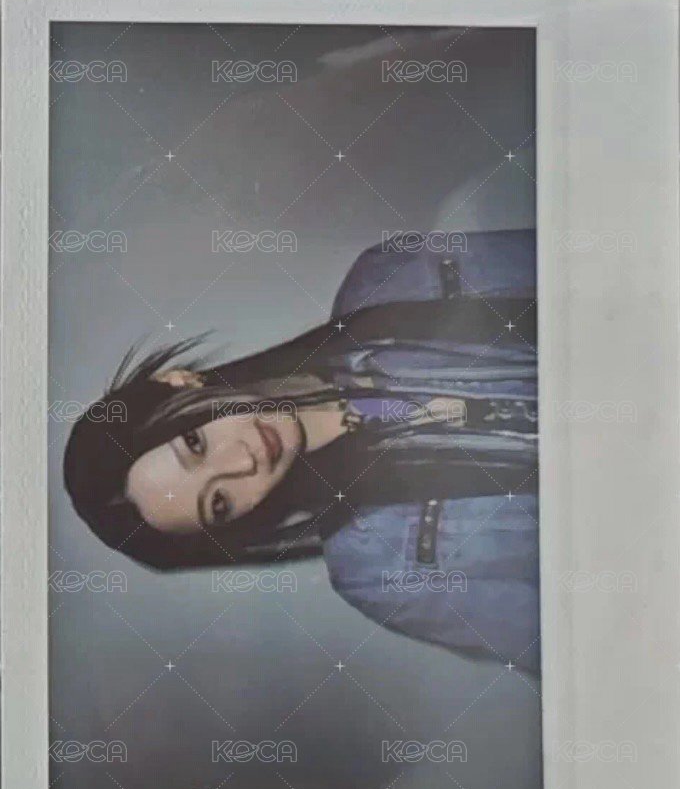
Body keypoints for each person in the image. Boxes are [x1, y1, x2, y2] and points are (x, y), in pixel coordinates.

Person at [64, 229, 540, 673]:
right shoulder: (375, 572)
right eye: (219, 503)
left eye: (195, 443)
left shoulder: (389, 278)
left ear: (178, 383)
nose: (242, 462)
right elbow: (564, 639)